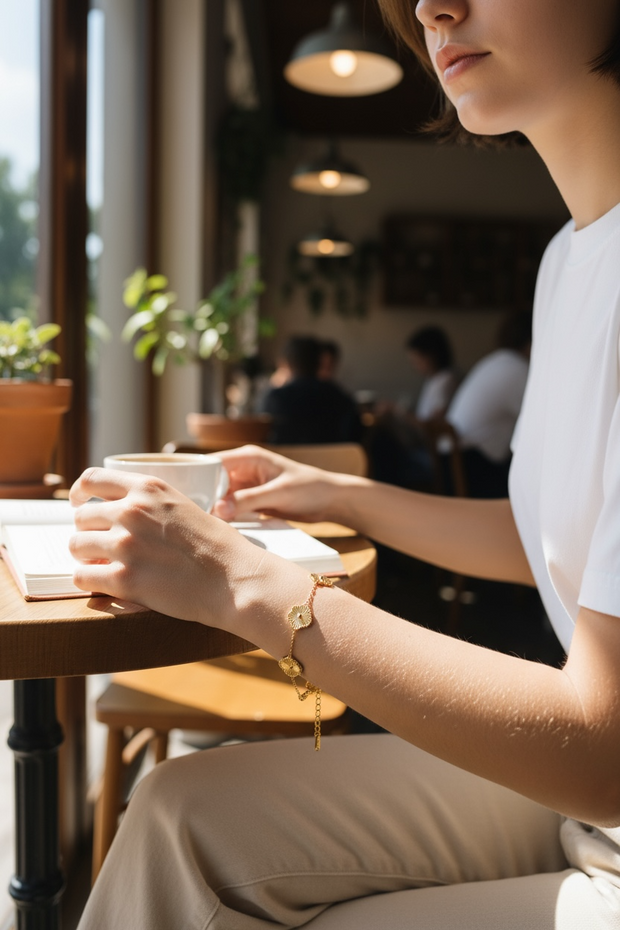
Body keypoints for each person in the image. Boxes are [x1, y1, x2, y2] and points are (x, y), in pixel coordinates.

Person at [72, 0, 620, 926]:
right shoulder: (571, 259)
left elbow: (603, 751)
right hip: (590, 809)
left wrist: (241, 582)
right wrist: (337, 494)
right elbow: (547, 538)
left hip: (598, 794)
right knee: (178, 814)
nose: (431, 8)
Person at [442, 310, 531, 497]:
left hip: (452, 461)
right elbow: (539, 423)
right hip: (472, 466)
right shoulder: (518, 369)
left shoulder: (495, 361)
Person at [370, 325, 458, 487]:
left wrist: (397, 411)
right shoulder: (433, 381)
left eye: (417, 359)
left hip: (433, 455)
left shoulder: (446, 382)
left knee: (382, 450)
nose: (414, 365)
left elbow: (431, 426)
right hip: (423, 448)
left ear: (431, 356)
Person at [258, 334, 363, 445]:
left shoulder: (274, 398)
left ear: (286, 364)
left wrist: (272, 385)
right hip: (331, 461)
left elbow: (261, 432)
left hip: (284, 461)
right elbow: (355, 437)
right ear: (319, 362)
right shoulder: (342, 398)